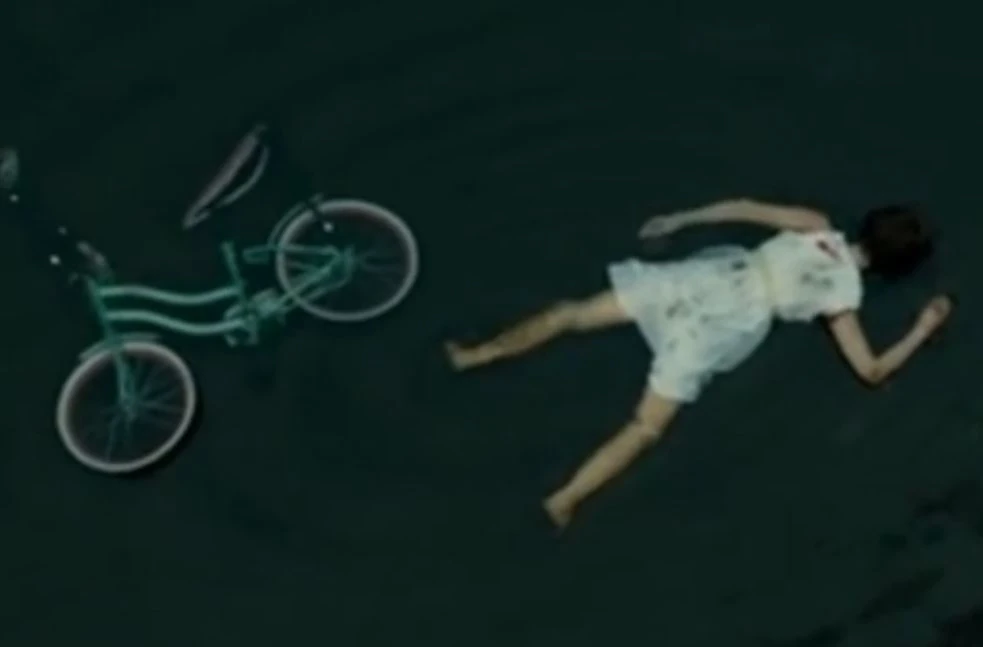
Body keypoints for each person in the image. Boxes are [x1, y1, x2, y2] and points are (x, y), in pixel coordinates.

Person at [443, 199, 952, 530]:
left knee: (570, 314)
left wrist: (679, 220)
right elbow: (871, 371)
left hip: (711, 278)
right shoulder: (843, 298)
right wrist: (922, 328)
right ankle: (566, 497)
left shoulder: (816, 226)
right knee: (645, 427)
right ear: (894, 267)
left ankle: (476, 355)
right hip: (728, 325)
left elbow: (742, 207)